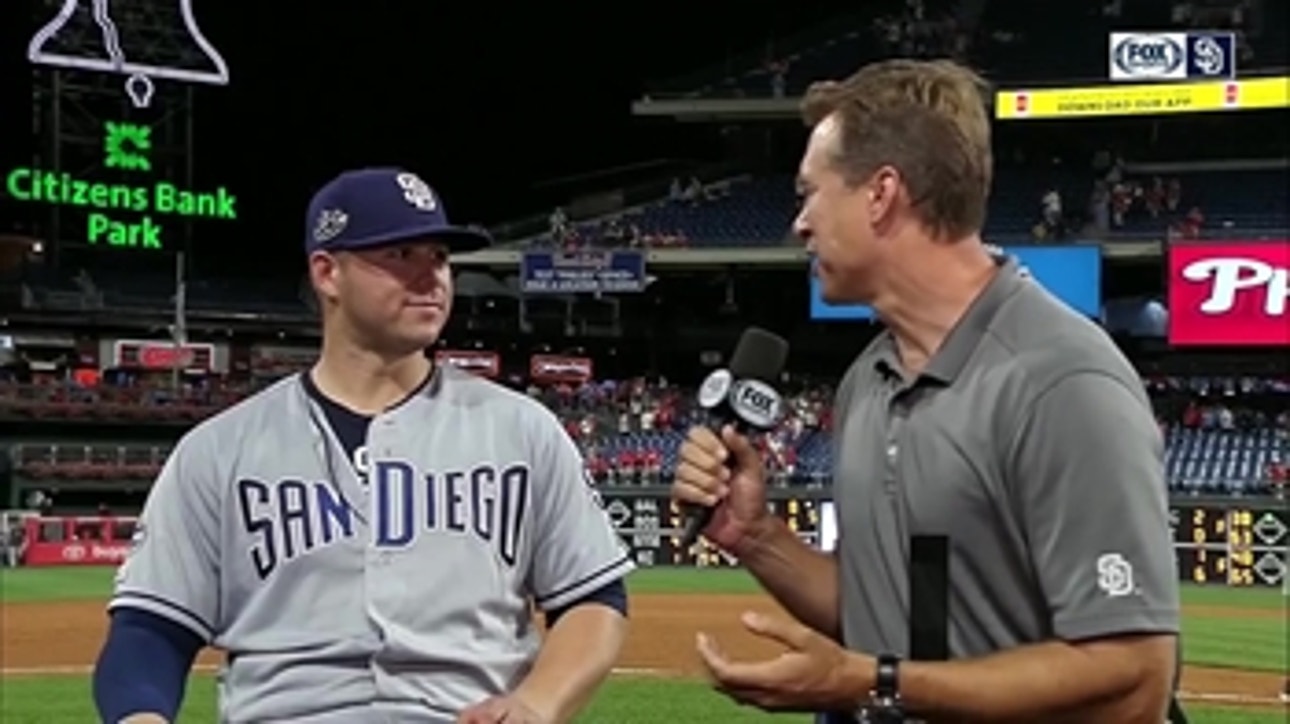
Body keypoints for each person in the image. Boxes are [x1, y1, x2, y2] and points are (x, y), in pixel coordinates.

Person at [671, 59, 1182, 723]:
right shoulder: (870, 379)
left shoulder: (1061, 381)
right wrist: (756, 535)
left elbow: (1134, 682)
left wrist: (874, 684)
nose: (799, 223)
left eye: (811, 192)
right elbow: (894, 622)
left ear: (881, 193)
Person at [92, 167, 634, 724]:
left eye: (440, 258)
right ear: (327, 273)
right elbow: (149, 629)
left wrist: (534, 705)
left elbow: (593, 599)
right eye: (401, 255)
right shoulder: (218, 451)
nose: (432, 278)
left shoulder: (524, 431)